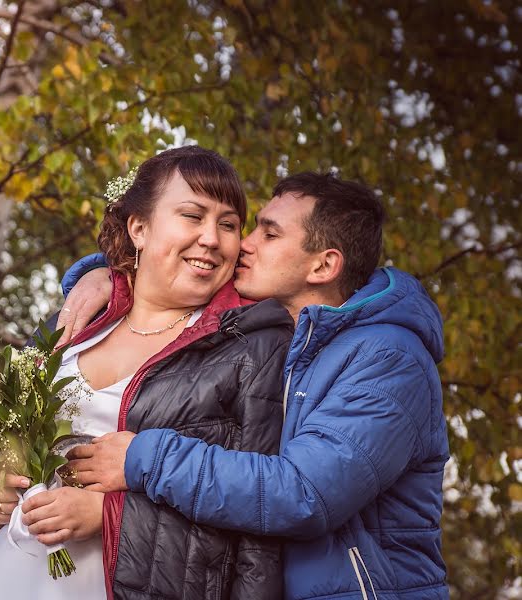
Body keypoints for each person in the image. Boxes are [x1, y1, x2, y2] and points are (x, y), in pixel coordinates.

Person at [0, 145, 293, 600]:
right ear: (139, 227)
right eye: (193, 216)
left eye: (229, 224)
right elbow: (3, 431)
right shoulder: (77, 323)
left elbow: (254, 513)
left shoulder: (250, 346)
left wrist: (110, 514)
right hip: (11, 576)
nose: (212, 238)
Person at [60, 172, 450, 600]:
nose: (243, 243)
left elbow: (305, 494)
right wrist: (102, 275)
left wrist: (145, 458)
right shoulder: (288, 335)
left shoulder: (389, 361)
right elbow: (166, 264)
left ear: (323, 265)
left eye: (269, 233)